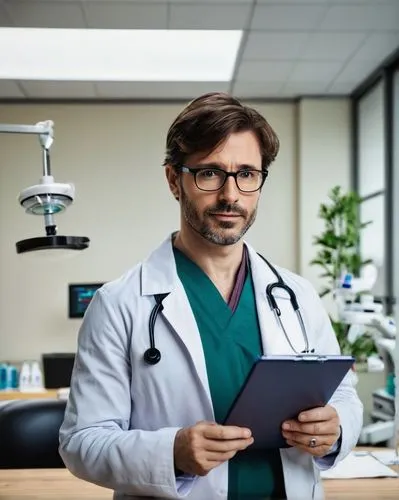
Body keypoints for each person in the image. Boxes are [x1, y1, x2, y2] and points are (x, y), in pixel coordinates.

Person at [59, 92, 363, 500]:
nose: (231, 195)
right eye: (210, 173)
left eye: (247, 174)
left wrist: (336, 426)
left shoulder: (297, 295)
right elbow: (82, 442)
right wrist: (171, 452)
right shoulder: (119, 304)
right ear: (174, 180)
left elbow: (342, 393)